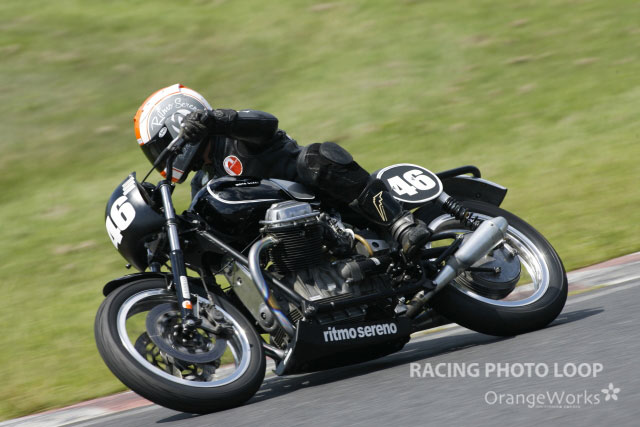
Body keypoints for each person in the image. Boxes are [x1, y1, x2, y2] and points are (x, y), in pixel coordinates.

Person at [134, 84, 430, 257]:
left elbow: (267, 123)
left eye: (159, 146)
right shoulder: (202, 184)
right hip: (293, 243)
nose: (161, 156)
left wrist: (216, 120)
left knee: (314, 157)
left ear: (179, 123)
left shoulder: (235, 134)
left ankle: (400, 224)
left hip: (324, 203)